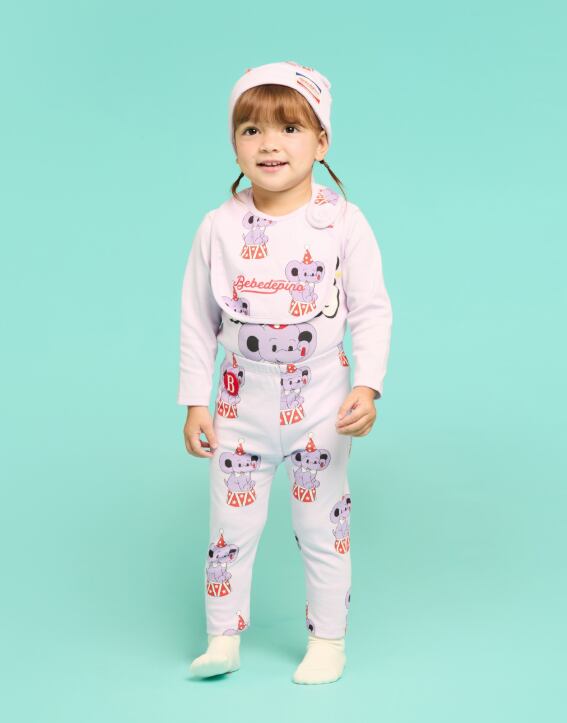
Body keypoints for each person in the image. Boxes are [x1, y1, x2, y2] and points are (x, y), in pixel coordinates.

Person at [178, 60, 393, 684]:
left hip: (321, 400)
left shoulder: (343, 222)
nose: (269, 144)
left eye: (290, 129)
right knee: (230, 528)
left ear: (321, 142)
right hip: (238, 399)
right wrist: (195, 401)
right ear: (234, 144)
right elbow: (197, 320)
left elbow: (372, 310)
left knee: (322, 525)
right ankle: (222, 638)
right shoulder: (218, 227)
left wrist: (368, 386)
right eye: (251, 130)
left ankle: (328, 640)